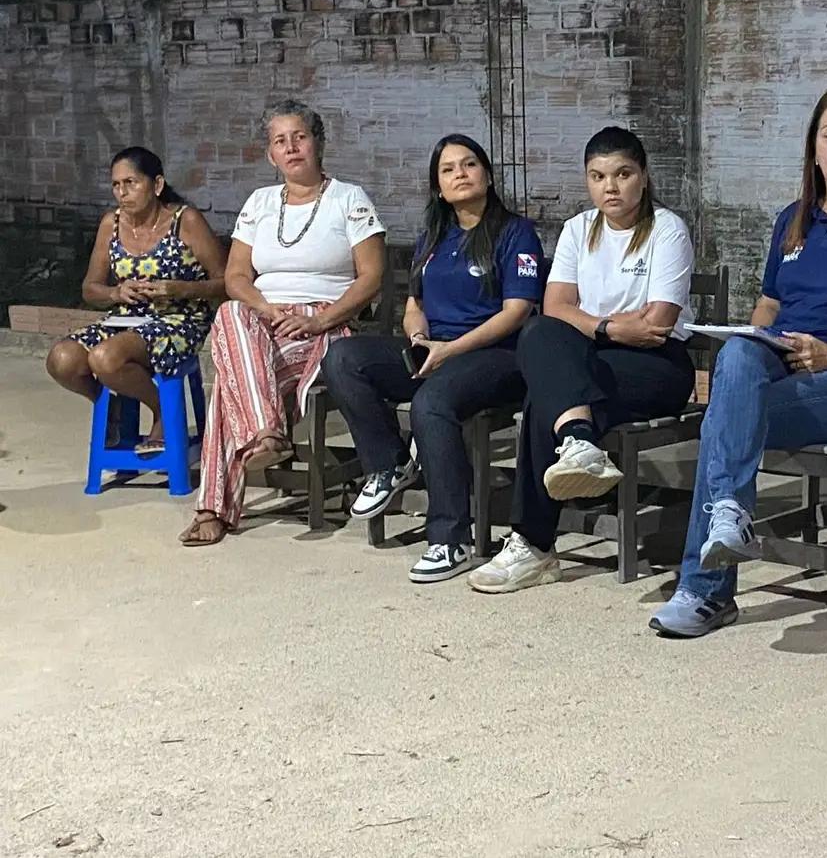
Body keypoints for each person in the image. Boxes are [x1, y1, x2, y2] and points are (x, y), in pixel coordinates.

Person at [647, 86, 827, 638]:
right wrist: (756, 338)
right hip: (785, 366)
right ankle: (728, 522)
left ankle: (705, 591)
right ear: (813, 149)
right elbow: (769, 307)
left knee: (721, 422)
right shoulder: (792, 220)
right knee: (738, 353)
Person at [464, 126, 696, 594]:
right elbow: (554, 309)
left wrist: (590, 322)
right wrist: (611, 327)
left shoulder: (667, 229)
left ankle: (534, 545)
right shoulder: (578, 228)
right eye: (598, 176)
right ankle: (578, 443)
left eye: (623, 174)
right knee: (538, 334)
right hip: (592, 356)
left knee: (546, 393)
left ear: (643, 175)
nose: (610, 187)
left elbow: (656, 323)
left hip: (657, 365)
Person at [320, 135, 543, 583]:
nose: (460, 173)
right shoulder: (433, 237)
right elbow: (413, 306)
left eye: (469, 164)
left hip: (497, 356)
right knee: (343, 357)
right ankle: (390, 464)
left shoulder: (515, 232)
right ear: (438, 188)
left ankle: (450, 539)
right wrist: (420, 338)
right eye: (448, 169)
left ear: (488, 175)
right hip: (436, 351)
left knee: (431, 402)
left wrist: (450, 350)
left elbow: (517, 312)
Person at [180, 99, 386, 546]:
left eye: (299, 137)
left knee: (229, 386)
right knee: (231, 311)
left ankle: (213, 507)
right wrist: (266, 309)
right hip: (263, 319)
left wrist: (321, 319)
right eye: (280, 141)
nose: (291, 147)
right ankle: (267, 427)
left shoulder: (348, 199)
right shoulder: (259, 203)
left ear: (318, 143)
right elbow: (235, 277)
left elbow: (371, 276)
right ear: (270, 155)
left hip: (324, 321)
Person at [47, 147, 226, 453]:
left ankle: (162, 411)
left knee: (105, 358)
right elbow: (90, 288)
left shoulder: (185, 220)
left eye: (130, 183)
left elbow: (226, 283)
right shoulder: (112, 223)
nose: (122, 192)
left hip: (179, 321)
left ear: (156, 185)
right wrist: (116, 293)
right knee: (62, 359)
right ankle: (113, 406)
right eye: (116, 185)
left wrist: (180, 289)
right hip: (126, 319)